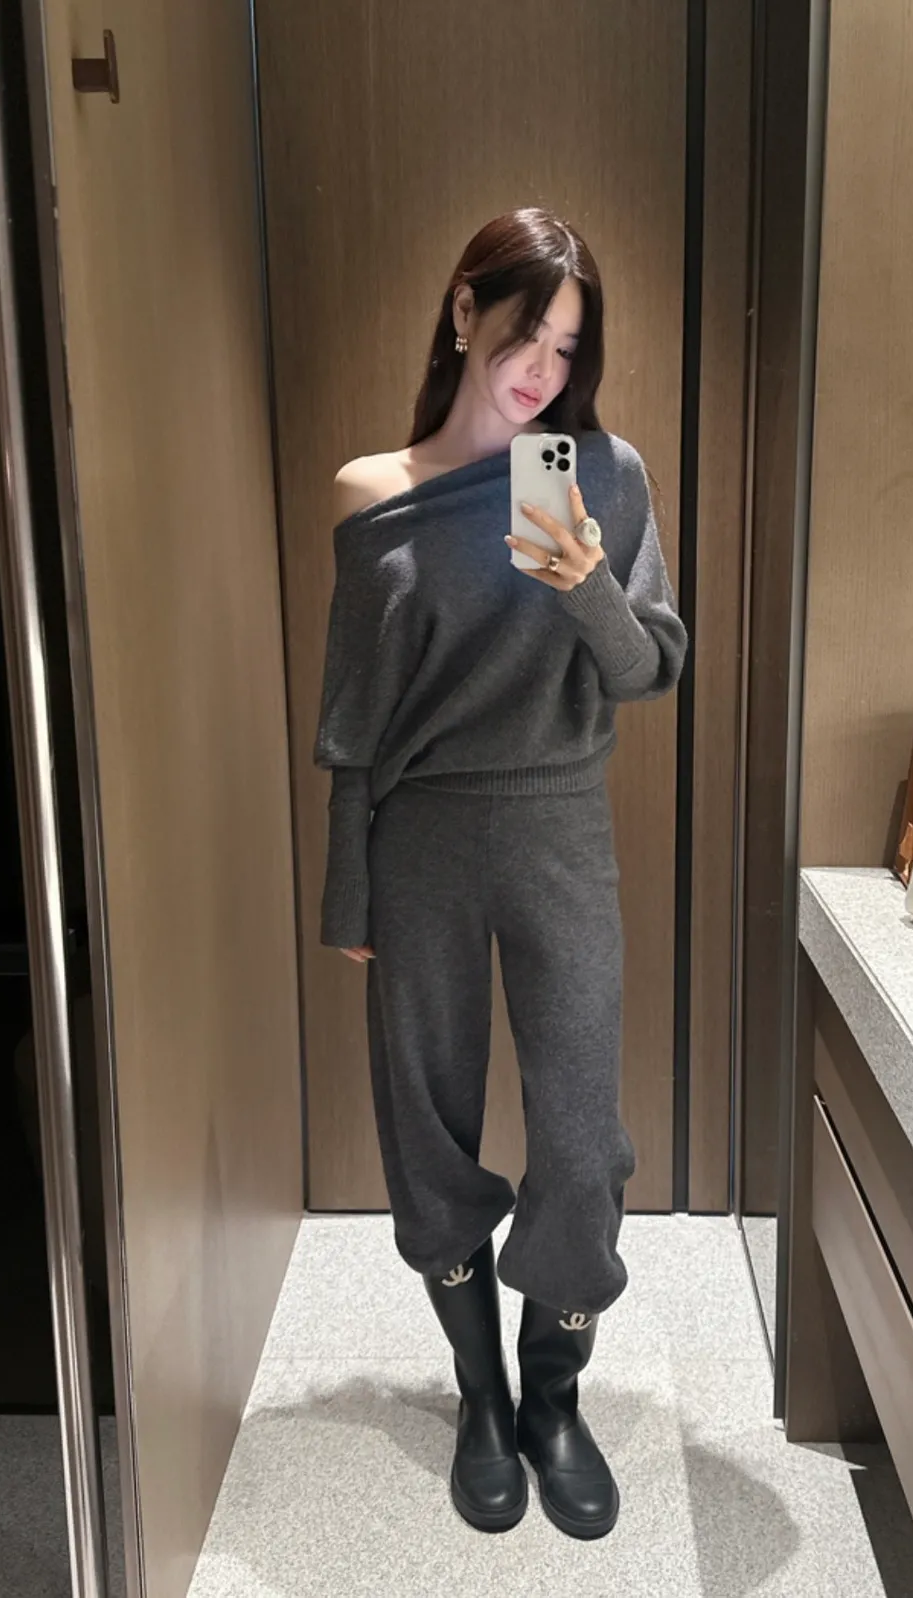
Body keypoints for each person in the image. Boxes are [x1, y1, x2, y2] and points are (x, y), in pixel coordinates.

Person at [313, 207, 687, 1540]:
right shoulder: (373, 489)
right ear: (465, 310)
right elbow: (355, 713)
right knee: (426, 1123)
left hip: (557, 827)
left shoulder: (605, 476)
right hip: (417, 837)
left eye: (567, 346)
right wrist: (346, 884)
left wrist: (584, 575)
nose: (541, 368)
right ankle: (481, 1395)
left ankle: (554, 1399)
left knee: (583, 1143)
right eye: (525, 332)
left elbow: (647, 667)